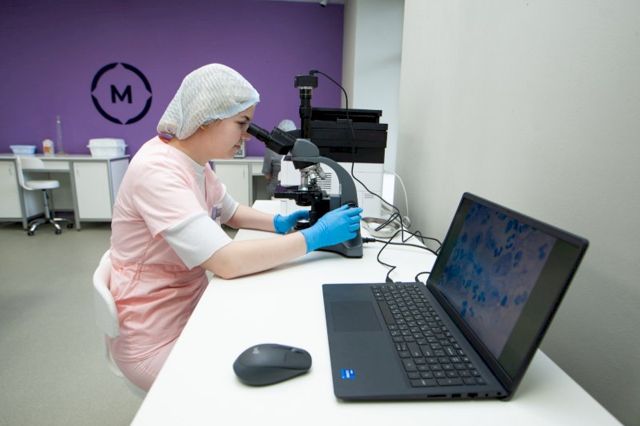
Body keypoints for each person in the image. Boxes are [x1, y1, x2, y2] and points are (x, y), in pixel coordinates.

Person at [107, 64, 362, 391]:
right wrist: (313, 237)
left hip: (191, 308)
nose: (247, 135)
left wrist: (279, 224)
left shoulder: (194, 162)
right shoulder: (157, 171)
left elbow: (230, 212)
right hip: (155, 338)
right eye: (242, 123)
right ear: (206, 118)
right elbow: (226, 262)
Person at [262, 118, 295, 197]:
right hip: (295, 190)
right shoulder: (300, 149)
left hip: (275, 189)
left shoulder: (271, 149)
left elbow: (267, 175)